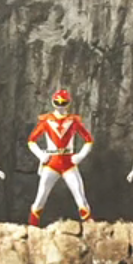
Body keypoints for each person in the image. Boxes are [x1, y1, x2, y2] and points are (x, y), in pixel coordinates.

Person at [28, 88, 95, 225]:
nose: (60, 106)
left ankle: (91, 229)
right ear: (53, 103)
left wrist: (80, 156)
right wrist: (40, 155)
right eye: (57, 103)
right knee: (40, 198)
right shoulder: (46, 121)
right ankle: (32, 228)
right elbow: (31, 141)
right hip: (51, 163)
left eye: (63, 103)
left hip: (68, 163)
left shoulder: (73, 121)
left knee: (80, 197)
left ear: (68, 103)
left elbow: (89, 140)